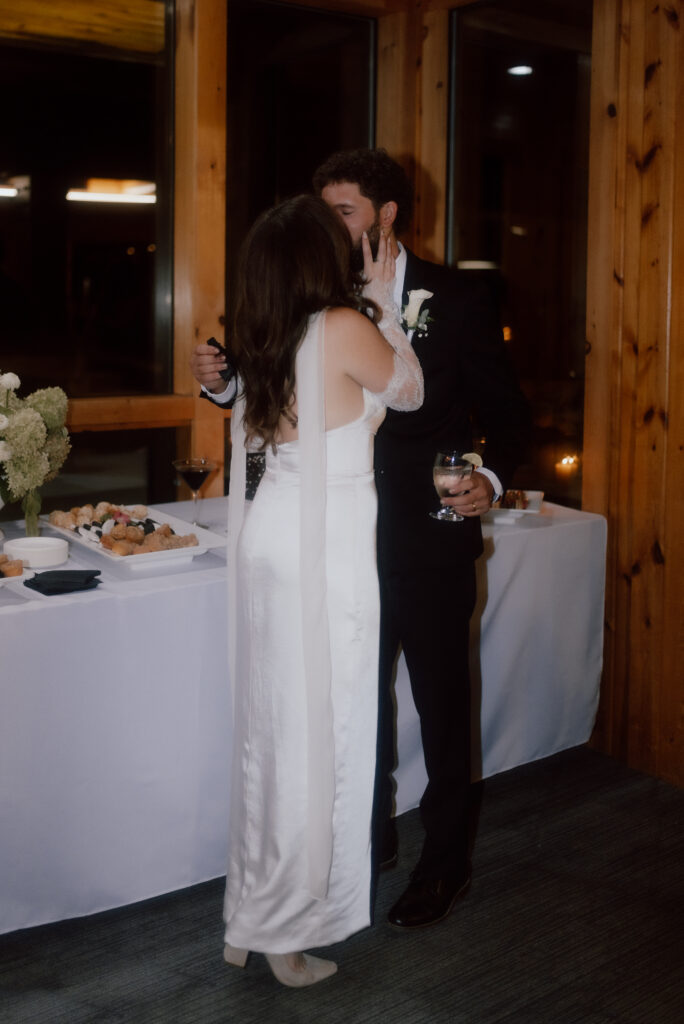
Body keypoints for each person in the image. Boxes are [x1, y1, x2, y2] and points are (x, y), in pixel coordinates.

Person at [192, 149, 529, 931]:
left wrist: (492, 476)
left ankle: (445, 862)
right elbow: (290, 395)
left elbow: (508, 413)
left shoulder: (457, 295)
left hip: (426, 537)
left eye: (343, 210)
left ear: (386, 215)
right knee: (350, 702)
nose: (330, 223)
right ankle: (364, 841)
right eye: (324, 211)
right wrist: (225, 385)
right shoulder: (320, 293)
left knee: (442, 707)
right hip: (337, 545)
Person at [219, 194, 423, 987]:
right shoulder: (341, 325)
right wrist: (381, 303)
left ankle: (255, 907)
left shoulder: (267, 331)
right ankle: (286, 929)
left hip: (277, 531)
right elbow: (408, 390)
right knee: (317, 732)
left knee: (275, 729)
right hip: (323, 549)